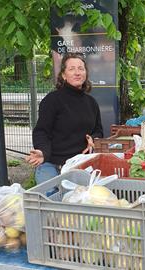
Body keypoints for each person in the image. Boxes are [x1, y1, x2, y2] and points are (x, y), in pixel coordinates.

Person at [26, 53, 103, 184]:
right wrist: (42, 151)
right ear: (63, 75)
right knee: (52, 199)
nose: (77, 72)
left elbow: (98, 130)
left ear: (86, 73)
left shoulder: (91, 103)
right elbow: (41, 131)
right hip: (52, 164)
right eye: (72, 69)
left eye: (81, 68)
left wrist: (93, 140)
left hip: (79, 165)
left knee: (82, 199)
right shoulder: (52, 100)